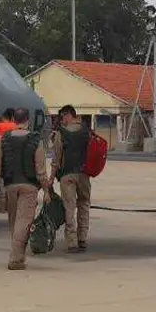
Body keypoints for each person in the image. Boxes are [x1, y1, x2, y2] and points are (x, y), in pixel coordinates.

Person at [0, 107, 53, 270]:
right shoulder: (36, 141)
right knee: (24, 222)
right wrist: (47, 190)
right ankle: (15, 257)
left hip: (10, 185)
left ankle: (19, 255)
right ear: (28, 121)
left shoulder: (4, 139)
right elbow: (40, 169)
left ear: (14, 120)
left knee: (14, 222)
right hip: (29, 186)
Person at [50, 105, 92, 252]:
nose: (62, 121)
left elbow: (56, 157)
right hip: (84, 174)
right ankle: (82, 238)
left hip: (67, 175)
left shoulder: (61, 133)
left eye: (62, 117)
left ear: (68, 115)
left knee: (69, 206)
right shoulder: (87, 131)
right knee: (84, 204)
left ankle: (72, 241)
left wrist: (51, 178)